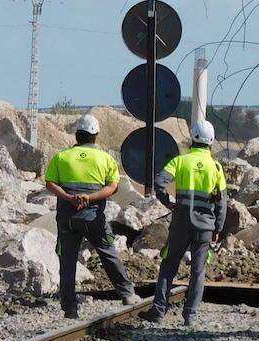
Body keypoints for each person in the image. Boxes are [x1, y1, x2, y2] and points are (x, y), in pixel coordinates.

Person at [44, 114, 140, 319]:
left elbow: (50, 183)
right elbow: (112, 187)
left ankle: (69, 308)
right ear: (95, 136)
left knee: (67, 261)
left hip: (67, 218)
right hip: (93, 218)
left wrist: (70, 198)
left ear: (77, 135)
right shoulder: (105, 158)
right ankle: (127, 294)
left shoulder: (61, 157)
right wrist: (90, 197)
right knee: (108, 252)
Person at [140, 119, 227, 328]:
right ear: (211, 140)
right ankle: (190, 315)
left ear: (192, 138)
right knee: (198, 270)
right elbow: (222, 202)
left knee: (169, 265)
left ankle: (159, 310)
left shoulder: (180, 161)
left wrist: (168, 203)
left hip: (180, 223)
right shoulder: (215, 167)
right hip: (205, 226)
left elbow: (159, 182)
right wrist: (218, 228)